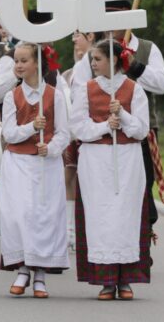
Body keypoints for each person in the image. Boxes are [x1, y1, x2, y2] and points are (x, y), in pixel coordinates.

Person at [69, 1, 164, 233]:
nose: (110, 27)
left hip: (140, 132)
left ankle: (141, 245)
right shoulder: (95, 53)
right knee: (105, 190)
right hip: (100, 134)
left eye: (116, 20)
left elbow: (162, 85)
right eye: (107, 20)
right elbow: (79, 91)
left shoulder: (146, 48)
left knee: (140, 186)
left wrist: (134, 66)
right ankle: (109, 241)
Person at [70, 39, 151, 301]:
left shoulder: (133, 89)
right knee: (101, 217)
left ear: (113, 60)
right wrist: (106, 125)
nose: (93, 63)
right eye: (92, 59)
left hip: (127, 158)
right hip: (95, 160)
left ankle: (126, 279)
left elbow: (141, 130)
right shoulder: (86, 89)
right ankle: (105, 280)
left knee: (124, 216)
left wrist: (124, 116)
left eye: (98, 59)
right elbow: (79, 129)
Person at [0, 43, 71, 298]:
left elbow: (64, 133)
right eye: (16, 61)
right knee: (20, 214)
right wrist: (32, 127)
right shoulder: (12, 96)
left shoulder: (55, 95)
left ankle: (40, 274)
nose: (18, 65)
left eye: (23, 60)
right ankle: (22, 268)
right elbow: (9, 133)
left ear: (37, 64)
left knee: (43, 215)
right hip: (18, 163)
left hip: (45, 164)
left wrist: (50, 149)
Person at [62, 30, 98, 249]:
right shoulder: (74, 68)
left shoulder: (97, 61)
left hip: (93, 127)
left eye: (78, 35)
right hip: (74, 128)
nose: (74, 39)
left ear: (91, 36)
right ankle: (69, 230)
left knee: (89, 179)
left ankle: (88, 229)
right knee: (69, 175)